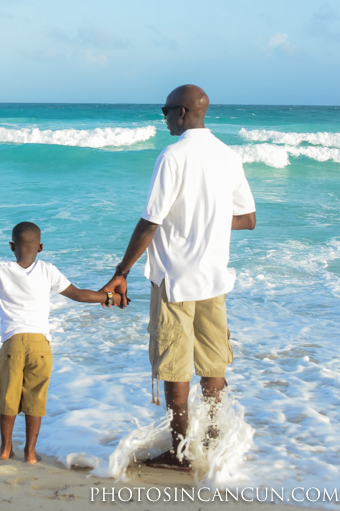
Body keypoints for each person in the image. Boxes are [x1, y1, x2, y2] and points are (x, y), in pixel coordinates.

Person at [101, 84, 256, 471]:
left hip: (175, 280)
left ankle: (181, 452)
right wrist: (208, 223)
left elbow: (150, 222)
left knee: (175, 365)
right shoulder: (227, 155)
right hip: (215, 278)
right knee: (213, 364)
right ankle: (214, 443)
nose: (164, 117)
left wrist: (121, 273)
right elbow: (248, 219)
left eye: (166, 111)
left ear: (183, 113)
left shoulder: (174, 156)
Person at [0, 221, 125, 464]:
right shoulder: (49, 270)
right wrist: (111, 298)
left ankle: (6, 449)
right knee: (35, 400)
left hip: (13, 343)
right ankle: (30, 453)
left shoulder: (1, 269)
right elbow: (79, 294)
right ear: (40, 247)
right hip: (41, 345)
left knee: (8, 399)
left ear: (11, 246)